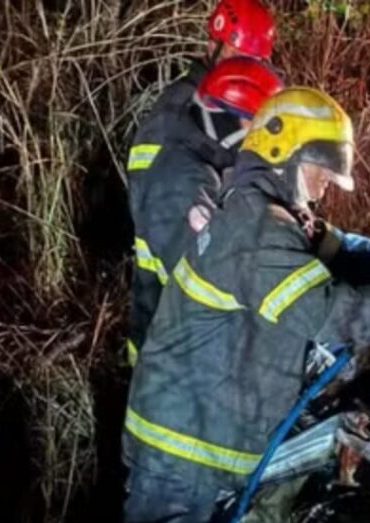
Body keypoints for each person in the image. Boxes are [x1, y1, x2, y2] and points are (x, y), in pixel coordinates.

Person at [122, 87, 370, 523]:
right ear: (281, 154)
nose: (327, 185)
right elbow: (330, 315)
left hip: (193, 442)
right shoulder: (258, 229)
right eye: (320, 171)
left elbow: (341, 247)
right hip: (184, 451)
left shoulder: (263, 214)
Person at [126, 0, 277, 365]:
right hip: (168, 313)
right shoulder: (177, 117)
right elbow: (170, 209)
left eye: (254, 61)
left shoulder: (237, 105)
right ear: (212, 46)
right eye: (236, 55)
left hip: (198, 320)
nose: (245, 68)